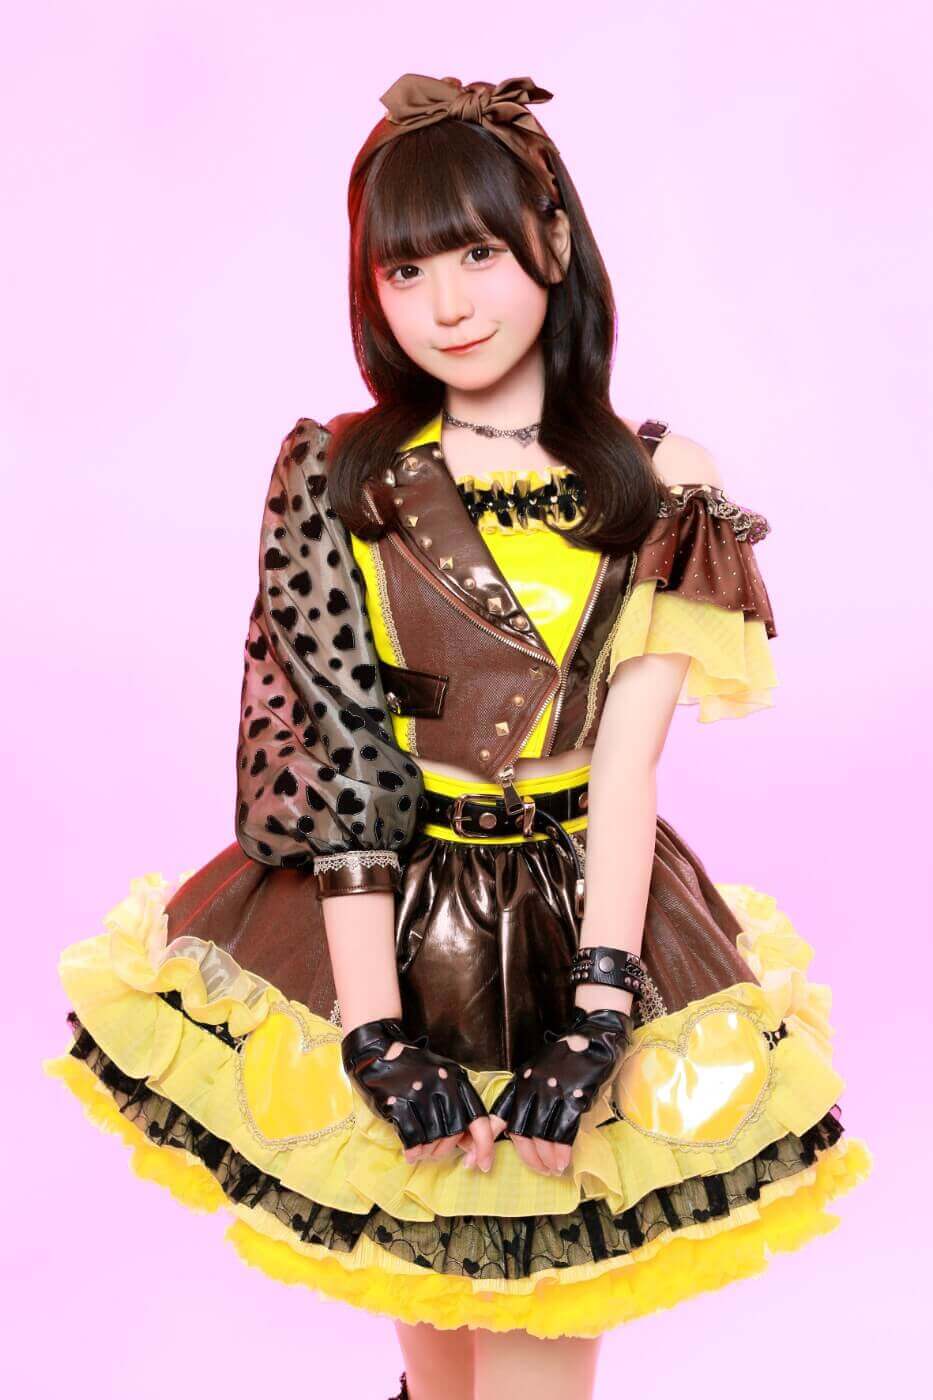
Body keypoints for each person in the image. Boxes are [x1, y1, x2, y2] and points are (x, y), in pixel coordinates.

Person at [43, 73, 873, 1400]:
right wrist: (375, 1035)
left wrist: (598, 1015)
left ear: (552, 239)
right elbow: (332, 762)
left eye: (479, 253)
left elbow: (625, 770)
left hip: (579, 918)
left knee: (537, 1330)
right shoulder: (339, 472)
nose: (446, 304)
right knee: (435, 1355)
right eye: (405, 269)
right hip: (378, 916)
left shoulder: (662, 481)